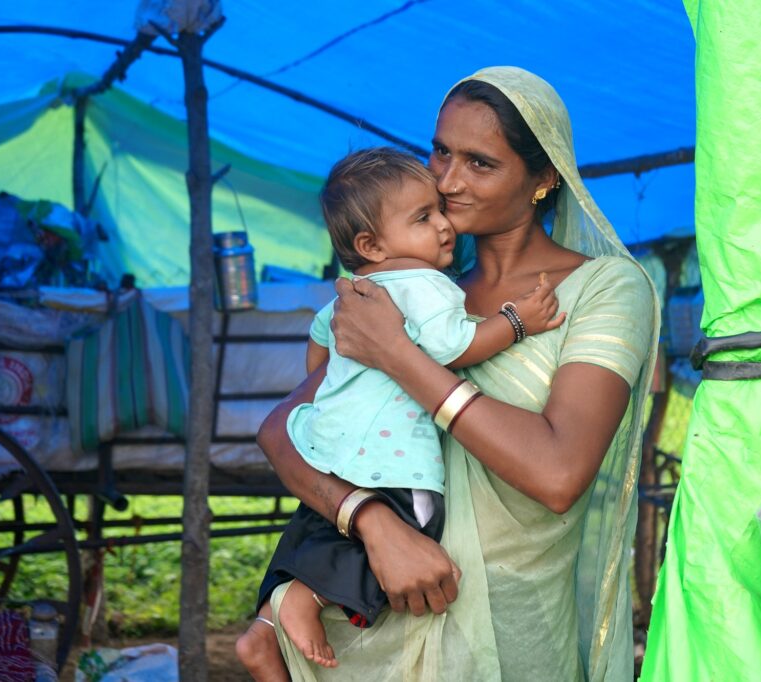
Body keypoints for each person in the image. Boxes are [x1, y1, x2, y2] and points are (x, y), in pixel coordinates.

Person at [236, 66, 660, 681]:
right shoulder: (410, 294)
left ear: (544, 179)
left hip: (515, 634)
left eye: (480, 163)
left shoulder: (603, 288)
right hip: (375, 631)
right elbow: (283, 429)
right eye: (440, 151)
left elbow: (559, 472)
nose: (449, 180)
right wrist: (374, 523)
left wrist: (401, 358)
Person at [239, 146, 564, 671]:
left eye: (438, 211)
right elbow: (455, 348)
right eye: (423, 217)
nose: (444, 227)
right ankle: (307, 599)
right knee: (417, 524)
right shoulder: (426, 286)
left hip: (330, 449)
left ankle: (267, 626)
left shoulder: (352, 293)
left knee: (318, 525)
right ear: (369, 243)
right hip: (396, 460)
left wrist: (337, 392)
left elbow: (320, 345)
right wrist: (517, 321)